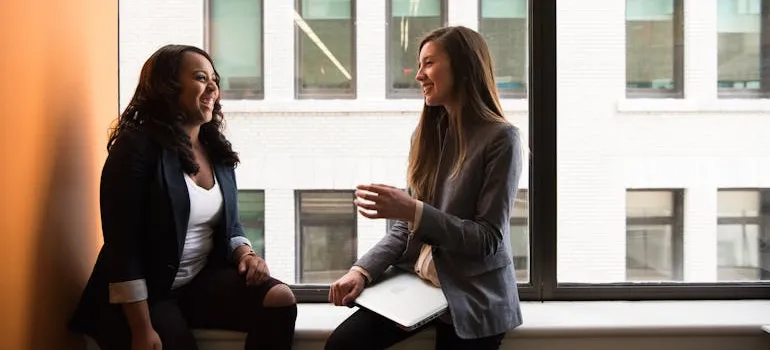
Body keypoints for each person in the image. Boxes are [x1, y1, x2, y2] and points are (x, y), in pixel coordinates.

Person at [68, 44, 297, 350]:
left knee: (280, 299)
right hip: (144, 297)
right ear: (167, 86)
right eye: (201, 77)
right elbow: (122, 249)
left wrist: (245, 253)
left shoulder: (216, 149)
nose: (213, 86)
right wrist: (141, 329)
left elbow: (230, 225)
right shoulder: (135, 147)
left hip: (195, 283)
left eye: (215, 79)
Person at [325, 26, 524, 350]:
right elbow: (406, 228)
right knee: (342, 345)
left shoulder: (502, 139)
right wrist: (361, 271)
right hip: (419, 286)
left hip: (473, 295)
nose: (419, 76)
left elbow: (487, 239)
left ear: (463, 67)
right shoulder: (427, 136)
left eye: (429, 63)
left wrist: (413, 209)